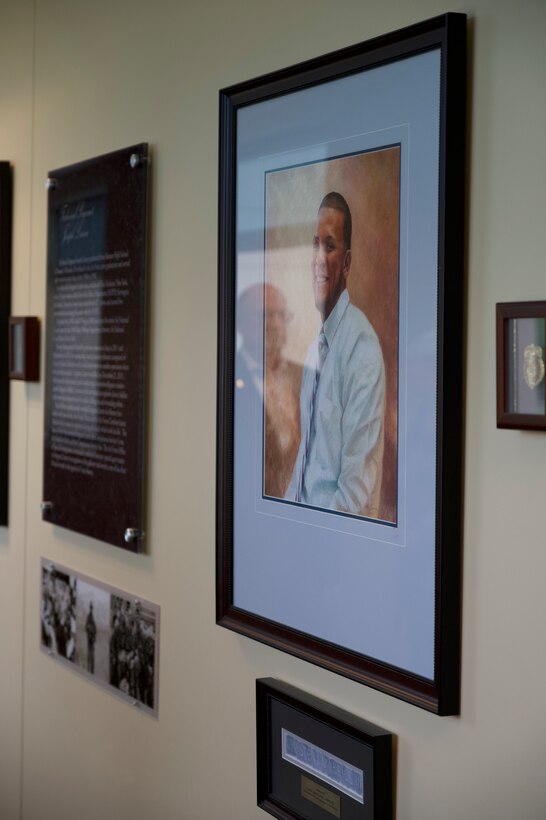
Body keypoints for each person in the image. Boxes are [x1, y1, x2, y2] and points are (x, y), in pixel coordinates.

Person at [285, 192, 385, 518]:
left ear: (347, 262)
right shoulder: (316, 348)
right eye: (315, 244)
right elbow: (307, 459)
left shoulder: (361, 349)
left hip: (334, 549)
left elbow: (355, 495)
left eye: (330, 246)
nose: (318, 258)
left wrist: (307, 539)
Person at [236, 283, 302, 498]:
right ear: (241, 323)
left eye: (281, 315)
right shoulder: (227, 377)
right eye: (265, 315)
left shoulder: (308, 377)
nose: (274, 324)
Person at [85, 601, 97, 674]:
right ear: (90, 608)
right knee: (90, 652)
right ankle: (89, 666)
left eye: (92, 608)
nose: (91, 609)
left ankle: (91, 666)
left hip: (92, 637)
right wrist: (90, 628)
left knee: (91, 652)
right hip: (90, 637)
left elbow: (95, 629)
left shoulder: (92, 616)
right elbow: (86, 627)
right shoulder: (89, 616)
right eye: (91, 608)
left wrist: (94, 630)